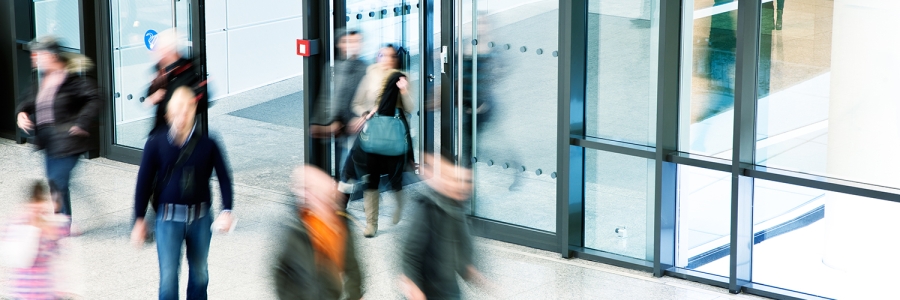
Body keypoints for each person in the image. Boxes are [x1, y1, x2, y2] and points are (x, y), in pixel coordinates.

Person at [131, 86, 234, 300]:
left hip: (201, 218)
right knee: (168, 278)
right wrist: (139, 219)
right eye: (176, 112)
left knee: (200, 274)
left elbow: (224, 176)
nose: (181, 117)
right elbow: (143, 181)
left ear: (194, 109)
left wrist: (227, 209)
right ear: (169, 114)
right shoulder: (156, 143)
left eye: (186, 111)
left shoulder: (208, 143)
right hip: (168, 218)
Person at [15, 36, 102, 230]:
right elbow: (28, 101)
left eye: (38, 54)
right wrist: (21, 113)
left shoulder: (72, 80)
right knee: (55, 183)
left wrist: (81, 122)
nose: (34, 58)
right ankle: (63, 221)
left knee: (57, 180)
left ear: (52, 56)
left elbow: (95, 98)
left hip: (70, 141)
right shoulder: (41, 80)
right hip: (48, 142)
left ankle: (62, 224)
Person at [399, 153, 490, 300]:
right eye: (456, 180)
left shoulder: (456, 209)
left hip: (448, 290)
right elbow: (410, 254)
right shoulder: (426, 209)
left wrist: (473, 273)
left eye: (467, 181)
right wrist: (415, 288)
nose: (463, 187)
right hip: (427, 290)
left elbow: (461, 251)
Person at [348, 44, 416, 237]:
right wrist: (364, 114)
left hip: (393, 134)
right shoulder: (369, 77)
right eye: (382, 55)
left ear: (395, 59)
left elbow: (410, 108)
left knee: (395, 179)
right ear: (377, 57)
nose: (386, 59)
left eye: (390, 56)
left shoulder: (401, 77)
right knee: (371, 179)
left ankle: (399, 206)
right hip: (372, 133)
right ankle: (372, 224)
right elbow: (356, 103)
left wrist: (403, 91)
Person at [273, 165, 363, 300]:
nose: (327, 205)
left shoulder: (342, 223)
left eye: (329, 199)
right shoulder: (295, 229)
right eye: (320, 197)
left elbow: (351, 263)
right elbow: (281, 271)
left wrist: (356, 294)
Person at [310, 29, 368, 202]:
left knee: (347, 171)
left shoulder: (366, 68)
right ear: (339, 44)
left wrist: (362, 117)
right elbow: (327, 98)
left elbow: (374, 99)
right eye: (349, 42)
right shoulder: (333, 67)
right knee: (344, 169)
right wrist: (324, 122)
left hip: (357, 128)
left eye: (357, 42)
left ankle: (342, 206)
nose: (353, 46)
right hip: (338, 127)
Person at [1, 181, 71, 300]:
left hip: (50, 292)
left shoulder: (58, 224)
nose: (43, 207)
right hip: (25, 293)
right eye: (38, 201)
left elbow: (64, 257)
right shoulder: (17, 223)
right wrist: (34, 228)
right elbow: (23, 260)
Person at [145, 28, 208, 135]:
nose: (160, 55)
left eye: (162, 50)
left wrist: (183, 104)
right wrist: (153, 97)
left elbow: (203, 98)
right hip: (161, 129)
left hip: (180, 130)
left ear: (171, 51)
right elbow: (148, 97)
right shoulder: (160, 70)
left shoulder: (187, 71)